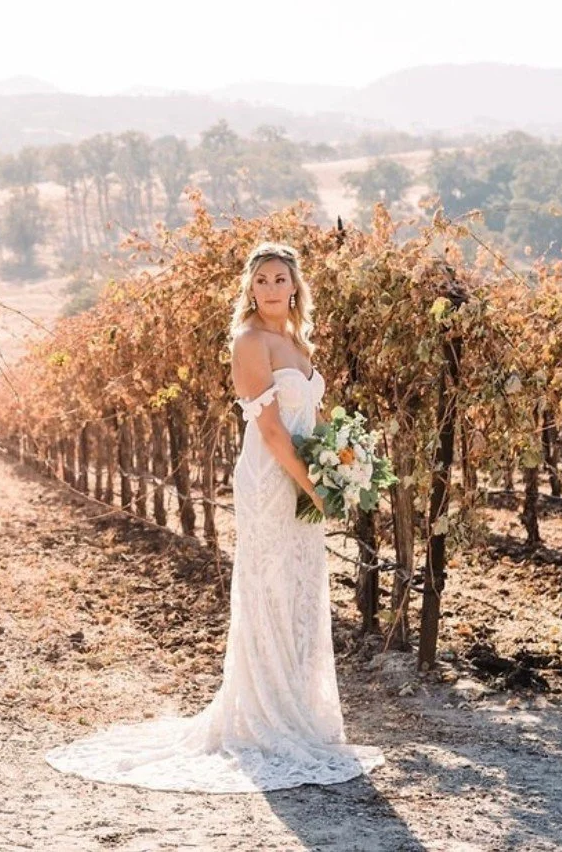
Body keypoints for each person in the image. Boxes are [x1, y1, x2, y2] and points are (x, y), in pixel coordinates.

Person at [43, 241, 386, 792]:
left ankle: (297, 710)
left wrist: (339, 465)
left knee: (300, 588)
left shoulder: (298, 340)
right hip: (273, 477)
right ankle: (261, 717)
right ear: (250, 289)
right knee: (269, 586)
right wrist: (313, 485)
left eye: (281, 279)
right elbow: (272, 431)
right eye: (262, 280)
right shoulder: (249, 342)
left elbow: (311, 417)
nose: (272, 288)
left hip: (305, 473)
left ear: (295, 285)